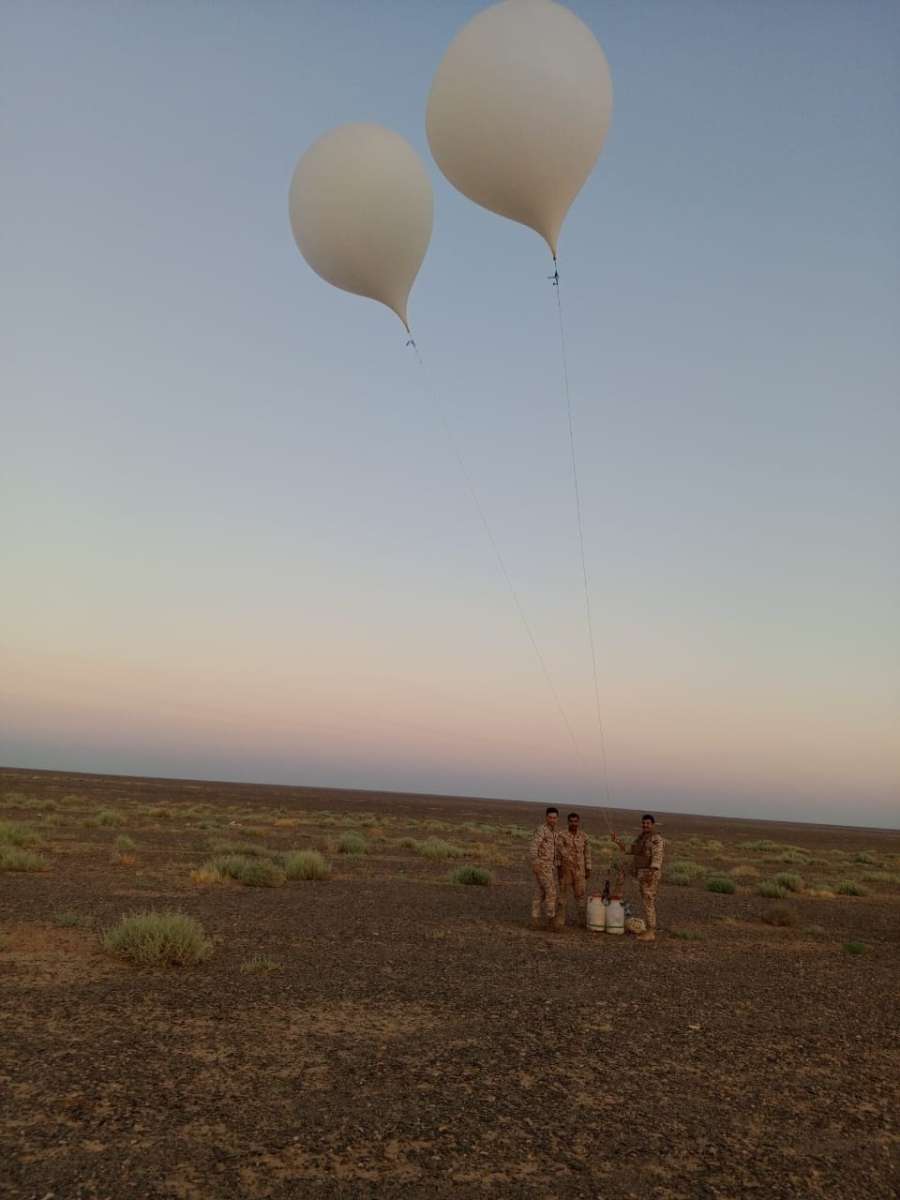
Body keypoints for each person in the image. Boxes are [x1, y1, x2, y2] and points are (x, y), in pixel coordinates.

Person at [613, 814, 665, 941]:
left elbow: (658, 857)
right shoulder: (641, 838)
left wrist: (652, 872)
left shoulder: (656, 839)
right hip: (639, 870)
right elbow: (630, 849)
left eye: (648, 823)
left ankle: (651, 931)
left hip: (649, 873)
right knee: (622, 866)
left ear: (652, 824)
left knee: (648, 900)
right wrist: (617, 841)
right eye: (643, 823)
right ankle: (617, 892)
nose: (645, 825)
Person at [554, 811, 592, 928]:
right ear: (568, 822)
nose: (573, 823)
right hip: (566, 870)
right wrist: (559, 868)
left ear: (578, 822)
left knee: (580, 896)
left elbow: (587, 853)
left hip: (580, 871)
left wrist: (588, 868)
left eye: (576, 821)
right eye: (571, 821)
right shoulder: (561, 835)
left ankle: (582, 922)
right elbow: (558, 853)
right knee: (562, 897)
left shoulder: (584, 836)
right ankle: (559, 922)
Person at [529, 806, 560, 928]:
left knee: (540, 892)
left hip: (550, 867)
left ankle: (535, 920)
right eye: (550, 817)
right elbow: (533, 847)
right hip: (542, 866)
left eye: (554, 817)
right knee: (551, 892)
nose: (552, 819)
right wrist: (535, 863)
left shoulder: (555, 832)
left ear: (557, 819)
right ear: (546, 817)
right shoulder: (541, 830)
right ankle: (551, 920)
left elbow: (555, 850)